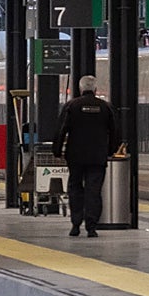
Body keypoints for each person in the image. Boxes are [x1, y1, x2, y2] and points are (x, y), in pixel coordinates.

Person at [53, 75, 119, 237]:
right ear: (95, 90)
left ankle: (76, 224)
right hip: (98, 157)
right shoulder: (105, 107)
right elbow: (115, 132)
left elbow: (61, 130)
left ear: (80, 89)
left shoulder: (72, 106)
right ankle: (91, 227)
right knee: (94, 191)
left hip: (75, 156)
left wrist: (57, 150)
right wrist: (110, 151)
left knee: (75, 188)